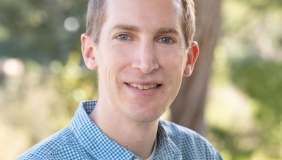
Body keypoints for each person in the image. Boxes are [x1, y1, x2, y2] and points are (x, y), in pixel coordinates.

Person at [17, 0, 223, 159]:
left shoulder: (201, 154)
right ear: (90, 52)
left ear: (189, 58)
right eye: (124, 36)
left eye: (165, 39)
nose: (145, 63)